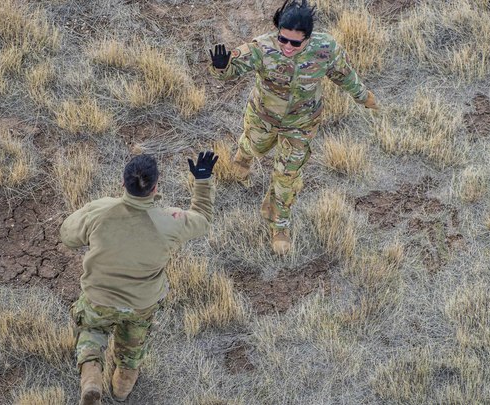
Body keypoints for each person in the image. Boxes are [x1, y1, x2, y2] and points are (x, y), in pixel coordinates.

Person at [208, 0, 378, 255]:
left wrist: (364, 97)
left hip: (301, 126)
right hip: (263, 118)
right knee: (254, 145)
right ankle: (243, 158)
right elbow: (232, 69)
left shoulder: (326, 48)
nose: (287, 47)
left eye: (295, 43)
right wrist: (221, 67)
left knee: (286, 178)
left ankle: (280, 226)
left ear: (308, 39)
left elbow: (344, 75)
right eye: (283, 39)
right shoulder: (262, 47)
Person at [60, 152, 218, 404]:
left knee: (91, 329)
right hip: (141, 303)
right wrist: (202, 180)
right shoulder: (171, 222)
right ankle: (123, 385)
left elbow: (68, 236)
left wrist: (91, 213)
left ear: (123, 183)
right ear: (156, 186)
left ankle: (91, 377)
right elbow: (204, 220)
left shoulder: (100, 210)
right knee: (133, 342)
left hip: (99, 296)